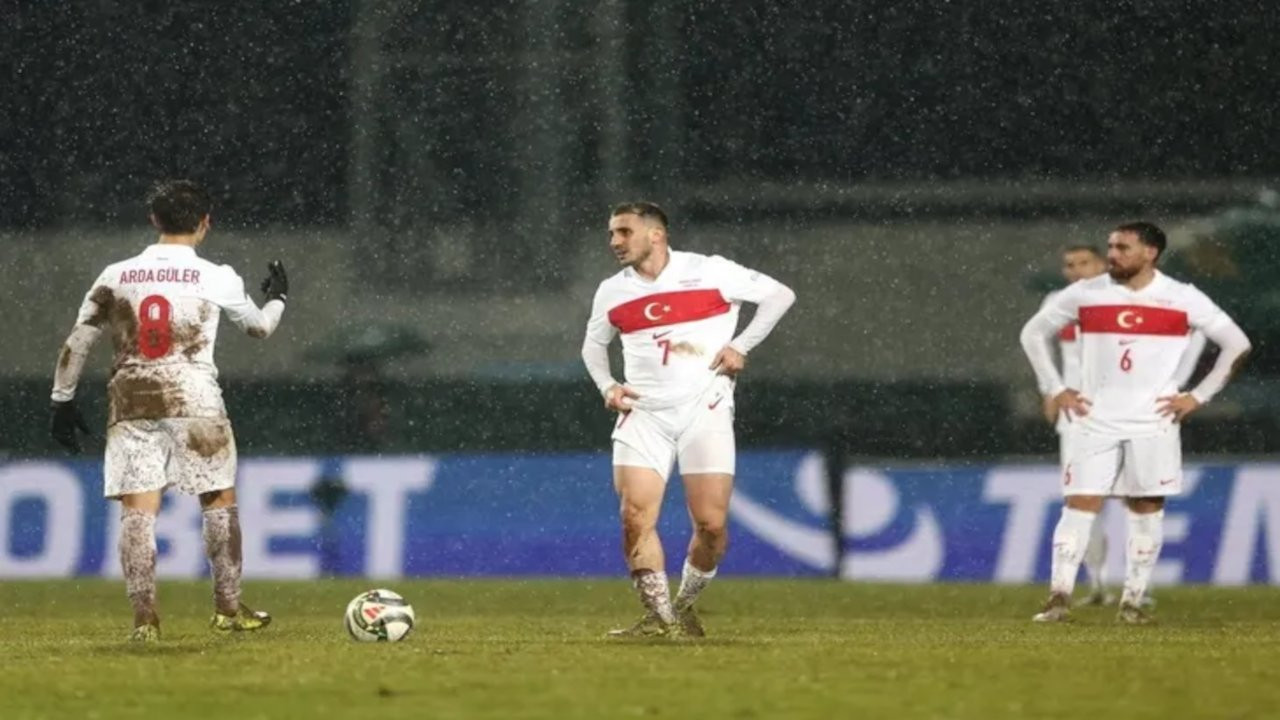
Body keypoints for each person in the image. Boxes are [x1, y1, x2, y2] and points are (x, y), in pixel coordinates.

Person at [49, 179, 289, 642]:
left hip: (131, 398)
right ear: (204, 223)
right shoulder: (217, 275)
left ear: (154, 220)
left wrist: (62, 400)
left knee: (138, 510)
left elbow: (78, 342)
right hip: (194, 397)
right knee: (217, 500)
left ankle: (145, 621)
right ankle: (227, 608)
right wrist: (278, 298)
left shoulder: (115, 274)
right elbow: (259, 329)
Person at [581, 202, 796, 637]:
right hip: (643, 414)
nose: (614, 242)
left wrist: (742, 345)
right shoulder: (612, 290)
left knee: (711, 525)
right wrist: (608, 386)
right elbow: (592, 346)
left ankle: (682, 607)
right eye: (611, 234)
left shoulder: (710, 271)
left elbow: (780, 296)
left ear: (655, 234)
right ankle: (659, 619)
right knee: (634, 515)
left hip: (706, 410)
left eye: (623, 232)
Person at [1020, 222, 1250, 624]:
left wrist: (1198, 396)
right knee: (1079, 504)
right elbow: (1032, 334)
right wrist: (1055, 387)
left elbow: (1237, 344)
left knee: (1146, 508)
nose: (1113, 254)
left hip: (1152, 421)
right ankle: (1058, 598)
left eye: (1123, 248)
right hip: (1094, 419)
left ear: (1150, 253)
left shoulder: (1182, 297)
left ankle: (1132, 602)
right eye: (1110, 246)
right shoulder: (1086, 293)